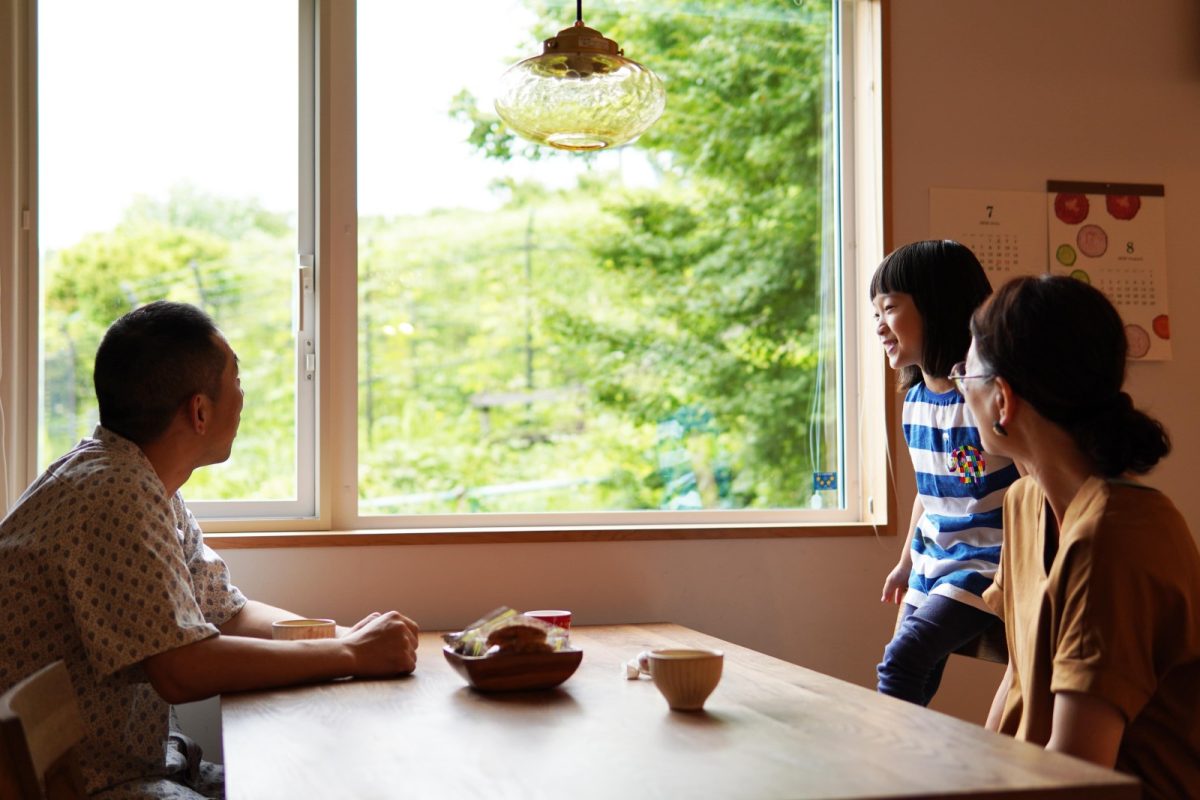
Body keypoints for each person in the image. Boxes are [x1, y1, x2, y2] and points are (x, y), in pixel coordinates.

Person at [0, 301, 420, 799]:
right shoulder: (113, 493)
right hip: (96, 786)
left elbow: (226, 612)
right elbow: (182, 670)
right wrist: (347, 652)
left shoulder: (141, 482)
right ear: (200, 410)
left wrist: (354, 640)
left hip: (150, 765)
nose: (243, 397)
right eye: (237, 380)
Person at [961, 275, 1200, 797]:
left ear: (1002, 399)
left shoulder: (1117, 538)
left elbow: (1076, 772)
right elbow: (1018, 678)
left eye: (967, 376)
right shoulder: (1024, 504)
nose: (961, 392)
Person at [870, 240, 1019, 705]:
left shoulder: (983, 398)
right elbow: (930, 496)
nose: (878, 326)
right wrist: (904, 564)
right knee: (906, 665)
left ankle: (894, 764)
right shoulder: (915, 402)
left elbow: (1030, 484)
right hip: (932, 560)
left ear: (936, 307)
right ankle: (899, 758)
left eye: (889, 308)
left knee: (902, 662)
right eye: (875, 313)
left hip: (983, 564)